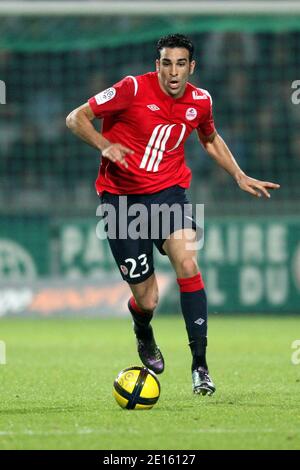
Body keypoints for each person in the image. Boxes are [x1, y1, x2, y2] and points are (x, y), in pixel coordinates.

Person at [66, 34, 280, 396]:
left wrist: (239, 174)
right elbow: (76, 118)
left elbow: (209, 138)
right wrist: (105, 146)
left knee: (188, 263)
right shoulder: (131, 88)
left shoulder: (201, 100)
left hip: (169, 195)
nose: (173, 71)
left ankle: (200, 366)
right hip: (121, 200)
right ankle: (143, 328)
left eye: (181, 64)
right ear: (157, 65)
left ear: (192, 67)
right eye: (166, 63)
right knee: (148, 299)